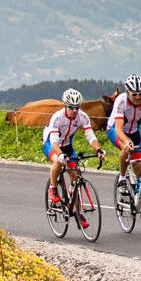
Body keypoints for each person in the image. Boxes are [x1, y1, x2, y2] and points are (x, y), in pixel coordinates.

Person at [44, 89, 104, 224]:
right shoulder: (57, 117)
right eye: (71, 107)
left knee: (75, 177)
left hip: (66, 144)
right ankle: (53, 187)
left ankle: (77, 212)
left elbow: (90, 135)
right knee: (58, 162)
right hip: (50, 143)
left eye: (77, 107)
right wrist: (59, 154)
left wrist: (98, 149)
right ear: (65, 106)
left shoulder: (82, 117)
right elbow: (53, 140)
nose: (75, 110)